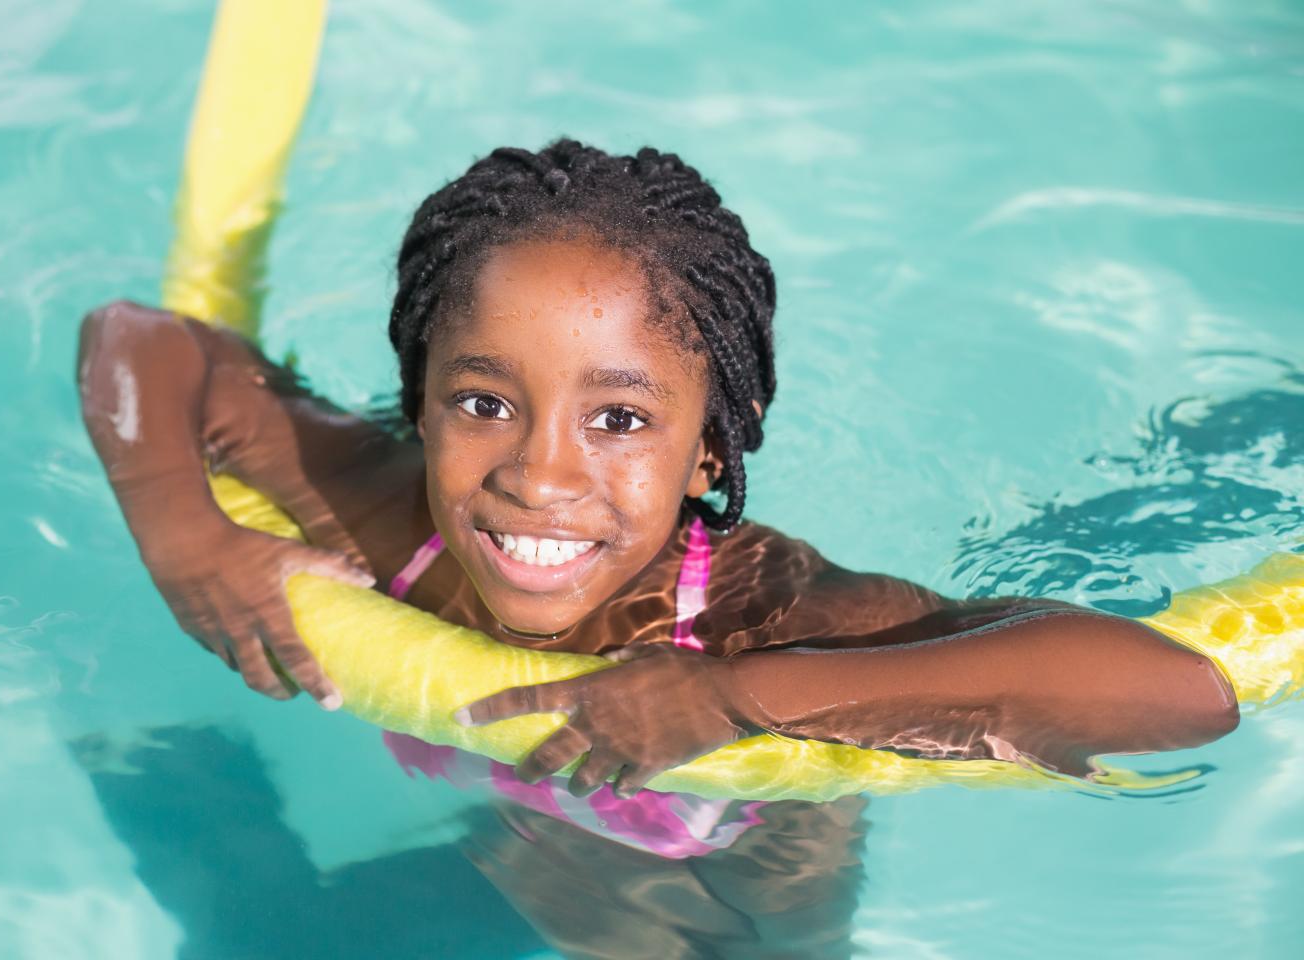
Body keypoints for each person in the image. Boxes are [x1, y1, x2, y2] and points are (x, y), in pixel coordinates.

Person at [78, 140, 1238, 956]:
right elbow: (143, 342)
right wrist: (185, 539)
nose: (540, 475)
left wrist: (735, 696)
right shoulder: (390, 514)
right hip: (540, 843)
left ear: (708, 458)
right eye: (483, 402)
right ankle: (180, 780)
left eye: (621, 421)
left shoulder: (767, 618)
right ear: (420, 406)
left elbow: (1176, 691)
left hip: (746, 890)